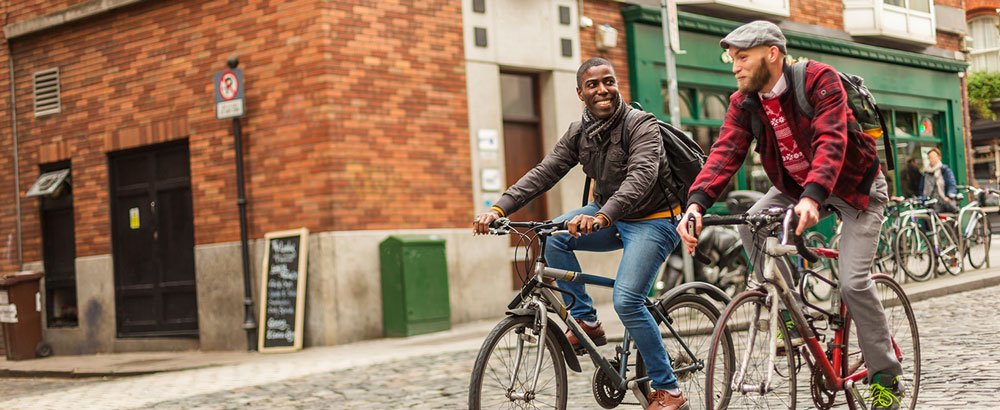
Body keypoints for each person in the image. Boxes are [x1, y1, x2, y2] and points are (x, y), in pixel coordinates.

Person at [675, 21, 904, 409]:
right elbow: (724, 153)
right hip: (795, 189)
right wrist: (695, 203)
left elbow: (832, 140)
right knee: (752, 223)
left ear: (772, 53)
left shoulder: (817, 79)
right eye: (731, 59)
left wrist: (814, 197)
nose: (735, 67)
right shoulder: (743, 102)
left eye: (743, 57)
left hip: (854, 190)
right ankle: (791, 310)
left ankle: (885, 377)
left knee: (852, 283)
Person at [473, 57, 689, 410]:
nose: (602, 89)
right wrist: (499, 209)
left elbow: (642, 177)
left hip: (654, 219)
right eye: (593, 84)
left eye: (609, 81)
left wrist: (603, 216)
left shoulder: (641, 125)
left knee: (627, 300)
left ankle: (670, 389)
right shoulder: (579, 132)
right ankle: (586, 320)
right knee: (553, 234)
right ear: (580, 93)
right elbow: (545, 172)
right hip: (608, 216)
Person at [919, 147, 958, 213]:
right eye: (930, 157)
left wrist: (949, 196)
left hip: (943, 203)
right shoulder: (925, 173)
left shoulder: (944, 170)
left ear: (939, 157)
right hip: (929, 203)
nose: (932, 159)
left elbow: (951, 184)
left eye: (934, 157)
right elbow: (921, 188)